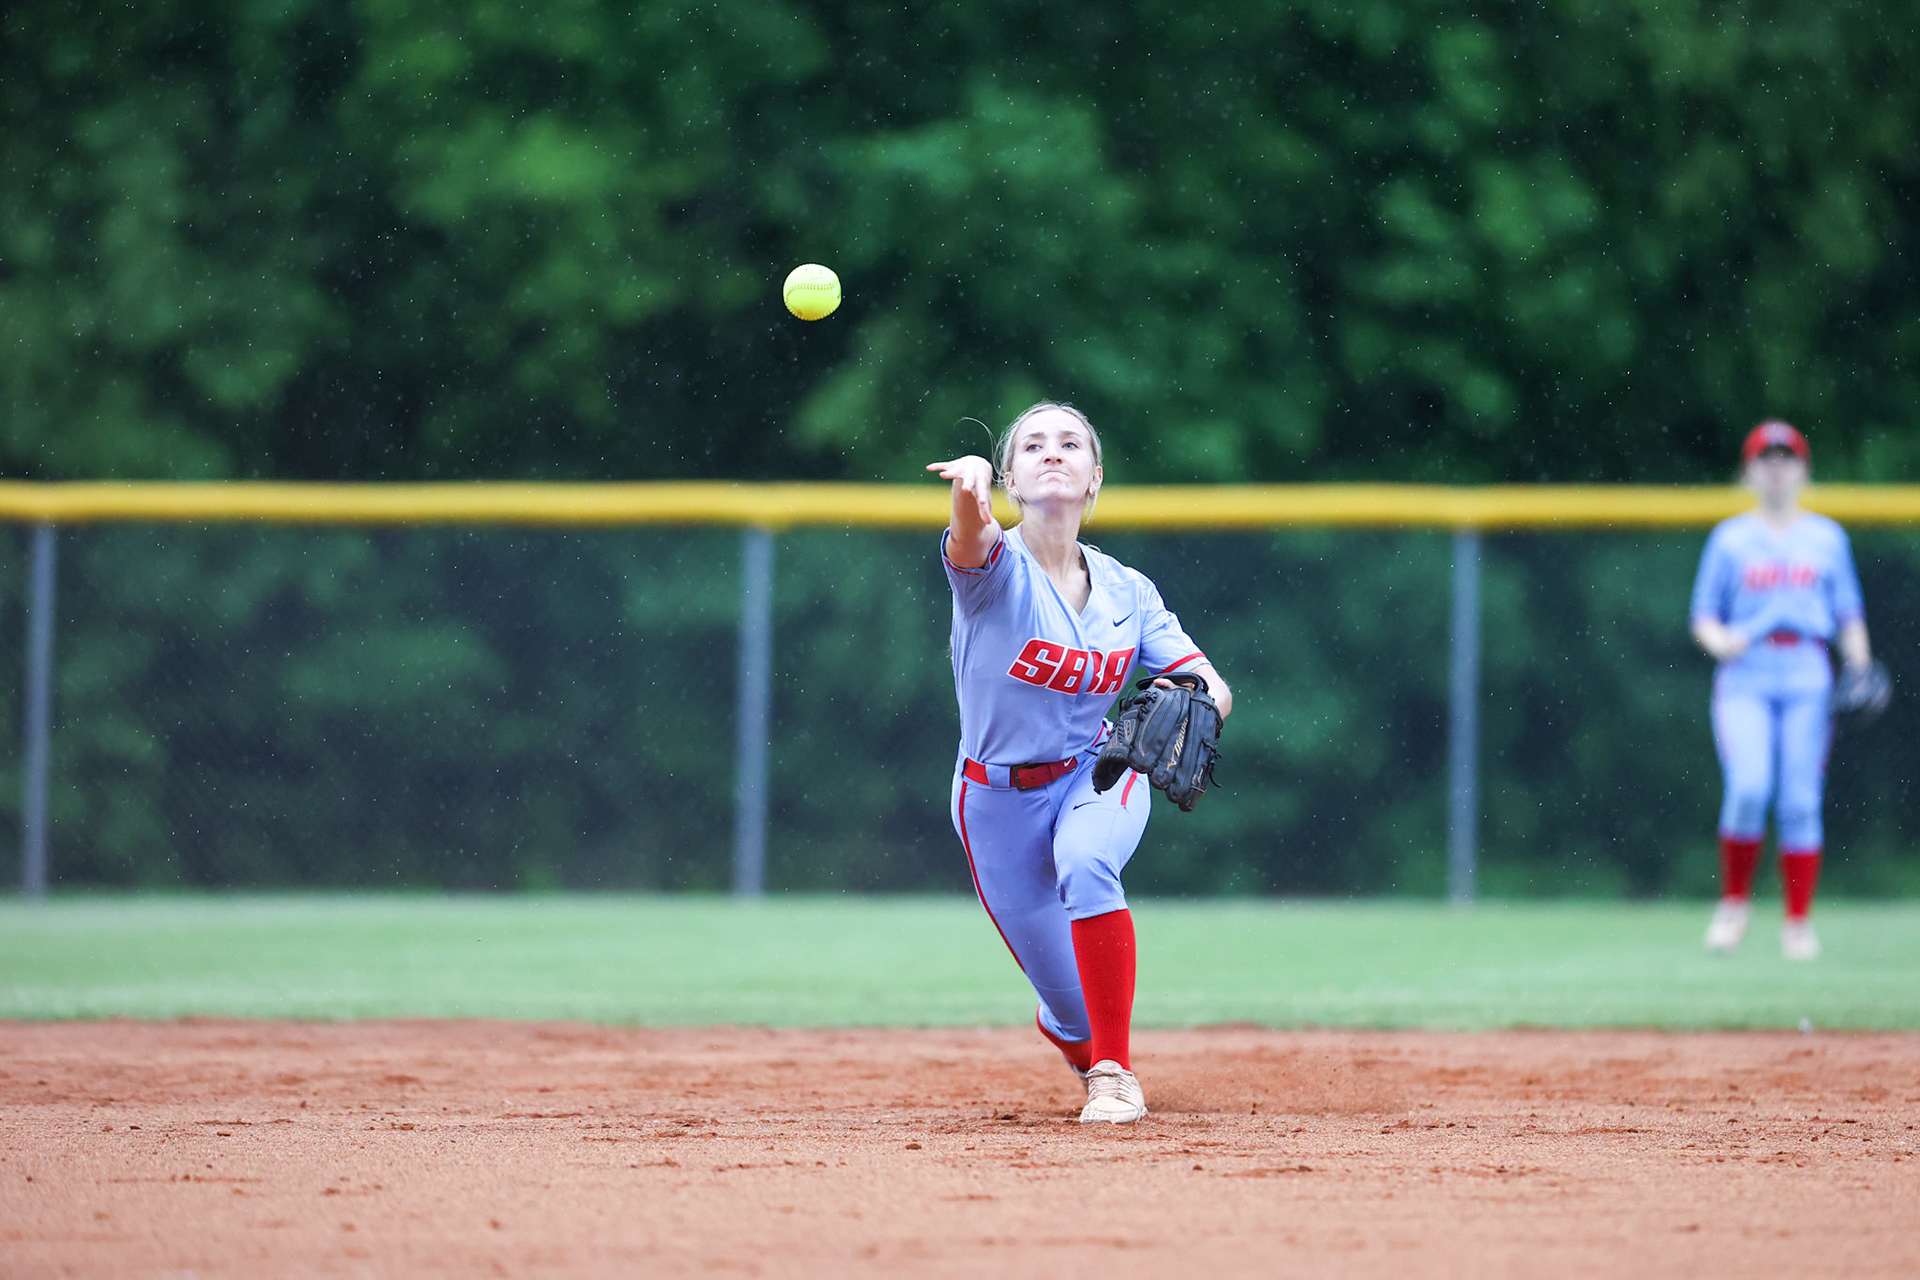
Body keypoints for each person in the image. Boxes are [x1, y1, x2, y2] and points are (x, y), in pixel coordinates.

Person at [926, 402, 1232, 1123]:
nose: (1053, 453)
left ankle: (1114, 1074)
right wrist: (968, 494)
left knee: (1088, 861)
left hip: (1096, 771)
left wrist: (1196, 706)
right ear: (1010, 478)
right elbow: (969, 542)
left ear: (1095, 479)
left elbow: (1212, 687)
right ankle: (1083, 1042)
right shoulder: (995, 572)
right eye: (1032, 445)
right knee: (1070, 1012)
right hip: (994, 802)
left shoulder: (1130, 593)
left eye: (1071, 444)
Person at [1689, 420, 1872, 960]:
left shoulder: (1827, 538)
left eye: (1785, 458)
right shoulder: (1730, 538)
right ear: (1748, 471)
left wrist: (1858, 666)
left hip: (1808, 671)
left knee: (1798, 799)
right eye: (1765, 459)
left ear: (1802, 469)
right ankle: (1734, 904)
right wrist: (1721, 642)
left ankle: (1797, 923)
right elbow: (1703, 616)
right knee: (1748, 789)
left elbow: (1848, 615)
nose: (1776, 468)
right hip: (1747, 672)